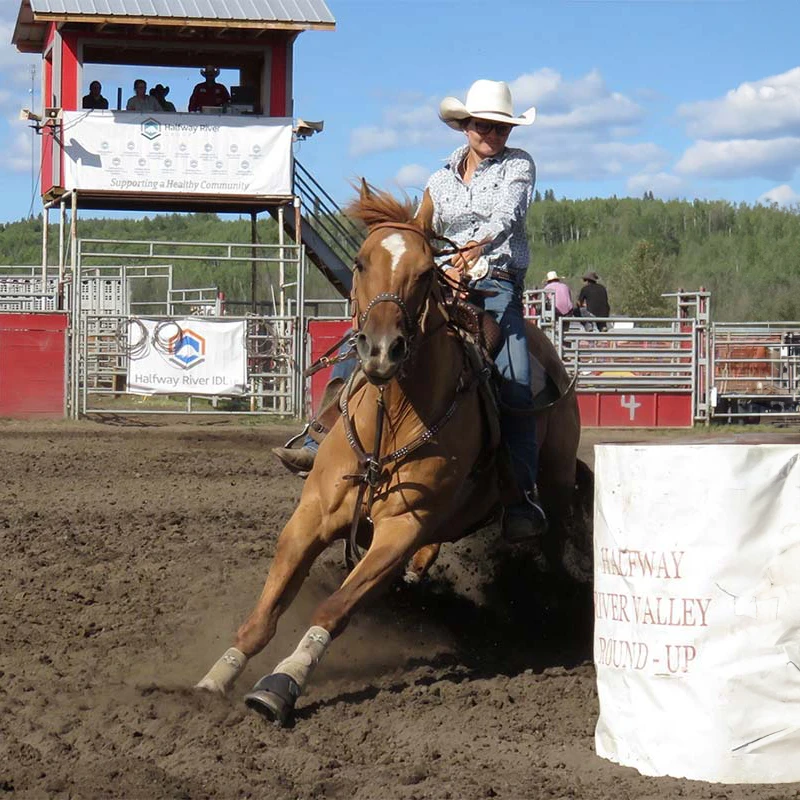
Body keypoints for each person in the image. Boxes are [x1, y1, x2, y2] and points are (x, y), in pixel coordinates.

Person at [427, 78, 545, 545]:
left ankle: (521, 494)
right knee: (381, 335)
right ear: (466, 126)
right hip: (442, 283)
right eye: (484, 127)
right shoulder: (438, 180)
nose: (493, 136)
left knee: (515, 380)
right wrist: (433, 266)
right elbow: (425, 229)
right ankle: (324, 435)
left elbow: (508, 215)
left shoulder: (519, 167)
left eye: (501, 129)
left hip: (494, 285)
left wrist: (476, 249)